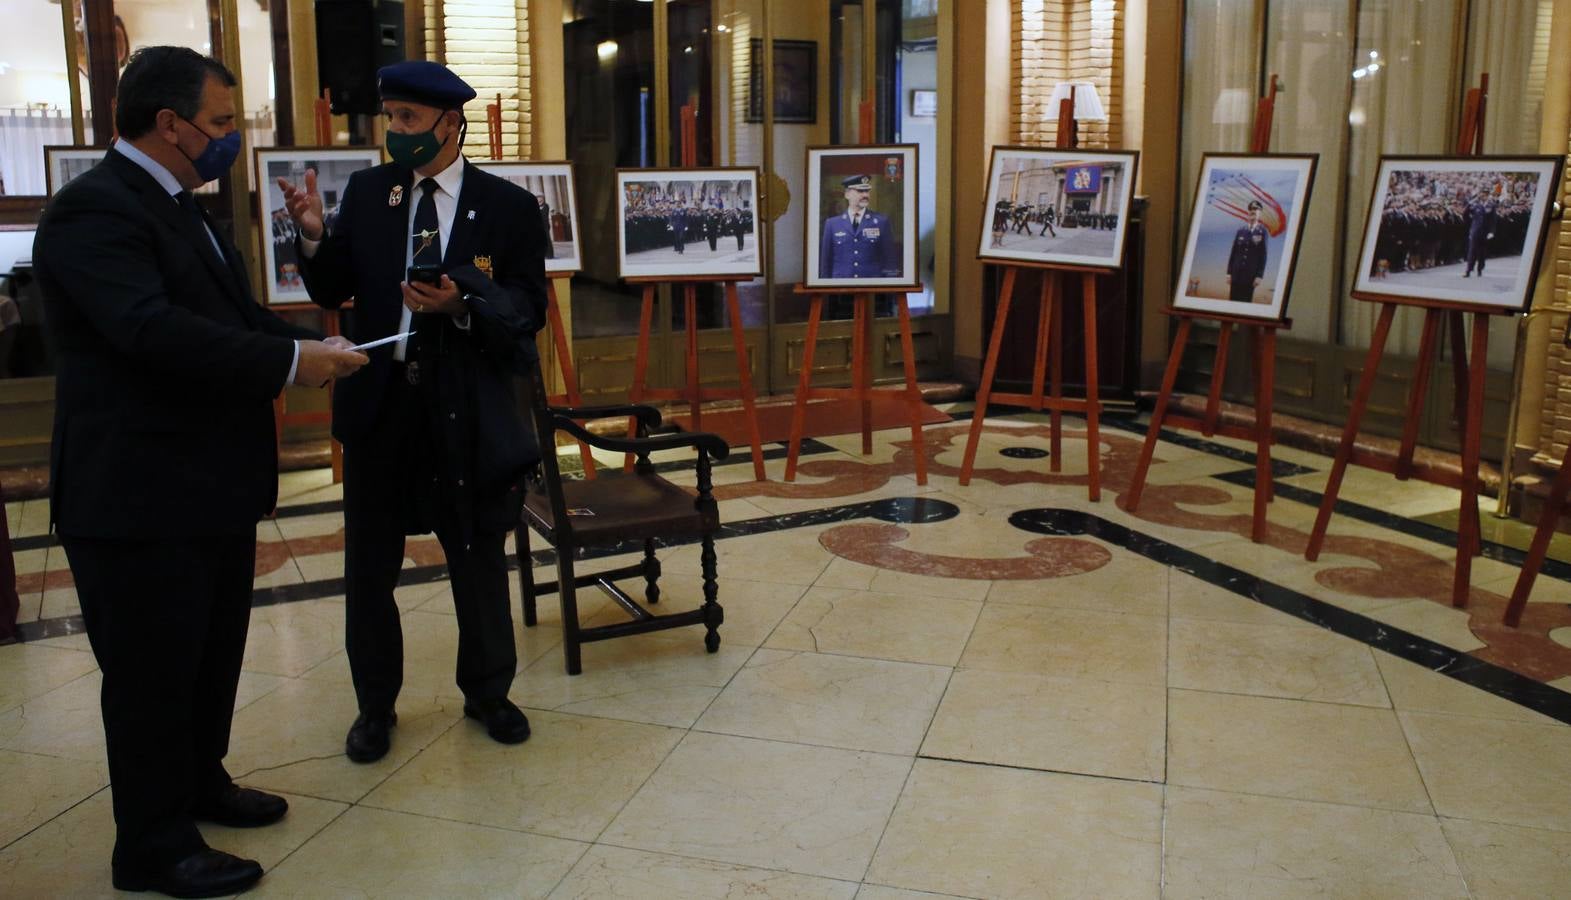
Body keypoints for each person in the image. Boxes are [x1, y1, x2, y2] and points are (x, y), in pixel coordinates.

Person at [32, 45, 368, 897]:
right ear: (169, 123)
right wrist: (291, 369)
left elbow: (235, 316)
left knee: (209, 654)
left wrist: (305, 342)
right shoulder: (93, 213)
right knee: (151, 674)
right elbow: (148, 331)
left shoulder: (183, 205)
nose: (228, 140)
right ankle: (152, 844)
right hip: (138, 496)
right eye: (220, 124)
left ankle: (199, 783)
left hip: (207, 487)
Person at [277, 60, 549, 764]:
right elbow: (335, 284)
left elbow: (527, 309)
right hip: (380, 408)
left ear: (449, 123)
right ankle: (375, 706)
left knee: (476, 556)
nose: (393, 132)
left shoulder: (509, 208)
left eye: (405, 120)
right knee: (370, 569)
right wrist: (310, 233)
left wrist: (465, 304)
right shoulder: (369, 194)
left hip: (467, 408)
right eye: (388, 118)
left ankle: (488, 691)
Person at [818, 173, 898, 279]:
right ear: (847, 194)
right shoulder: (832, 224)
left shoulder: (881, 222)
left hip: (872, 287)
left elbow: (890, 260)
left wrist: (889, 291)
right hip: (840, 288)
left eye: (867, 191)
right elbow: (825, 263)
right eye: (860, 191)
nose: (865, 195)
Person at [1226, 199, 1269, 303]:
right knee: (1232, 302)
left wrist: (1259, 275)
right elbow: (1233, 253)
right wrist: (1229, 273)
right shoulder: (1241, 231)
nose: (1252, 212)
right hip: (1236, 274)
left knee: (1245, 303)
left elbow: (1263, 255)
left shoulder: (1262, 232)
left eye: (1256, 209)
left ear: (1260, 214)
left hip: (1250, 276)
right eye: (1250, 210)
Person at [1463, 186, 1497, 278]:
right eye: (1482, 194)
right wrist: (1470, 203)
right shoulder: (1474, 204)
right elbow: (1465, 214)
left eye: (1485, 194)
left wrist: (1492, 232)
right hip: (1475, 231)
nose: (1483, 196)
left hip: (1485, 232)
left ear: (1487, 195)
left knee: (1482, 252)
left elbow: (1493, 220)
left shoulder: (1491, 205)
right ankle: (1468, 270)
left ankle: (1480, 269)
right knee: (1472, 251)